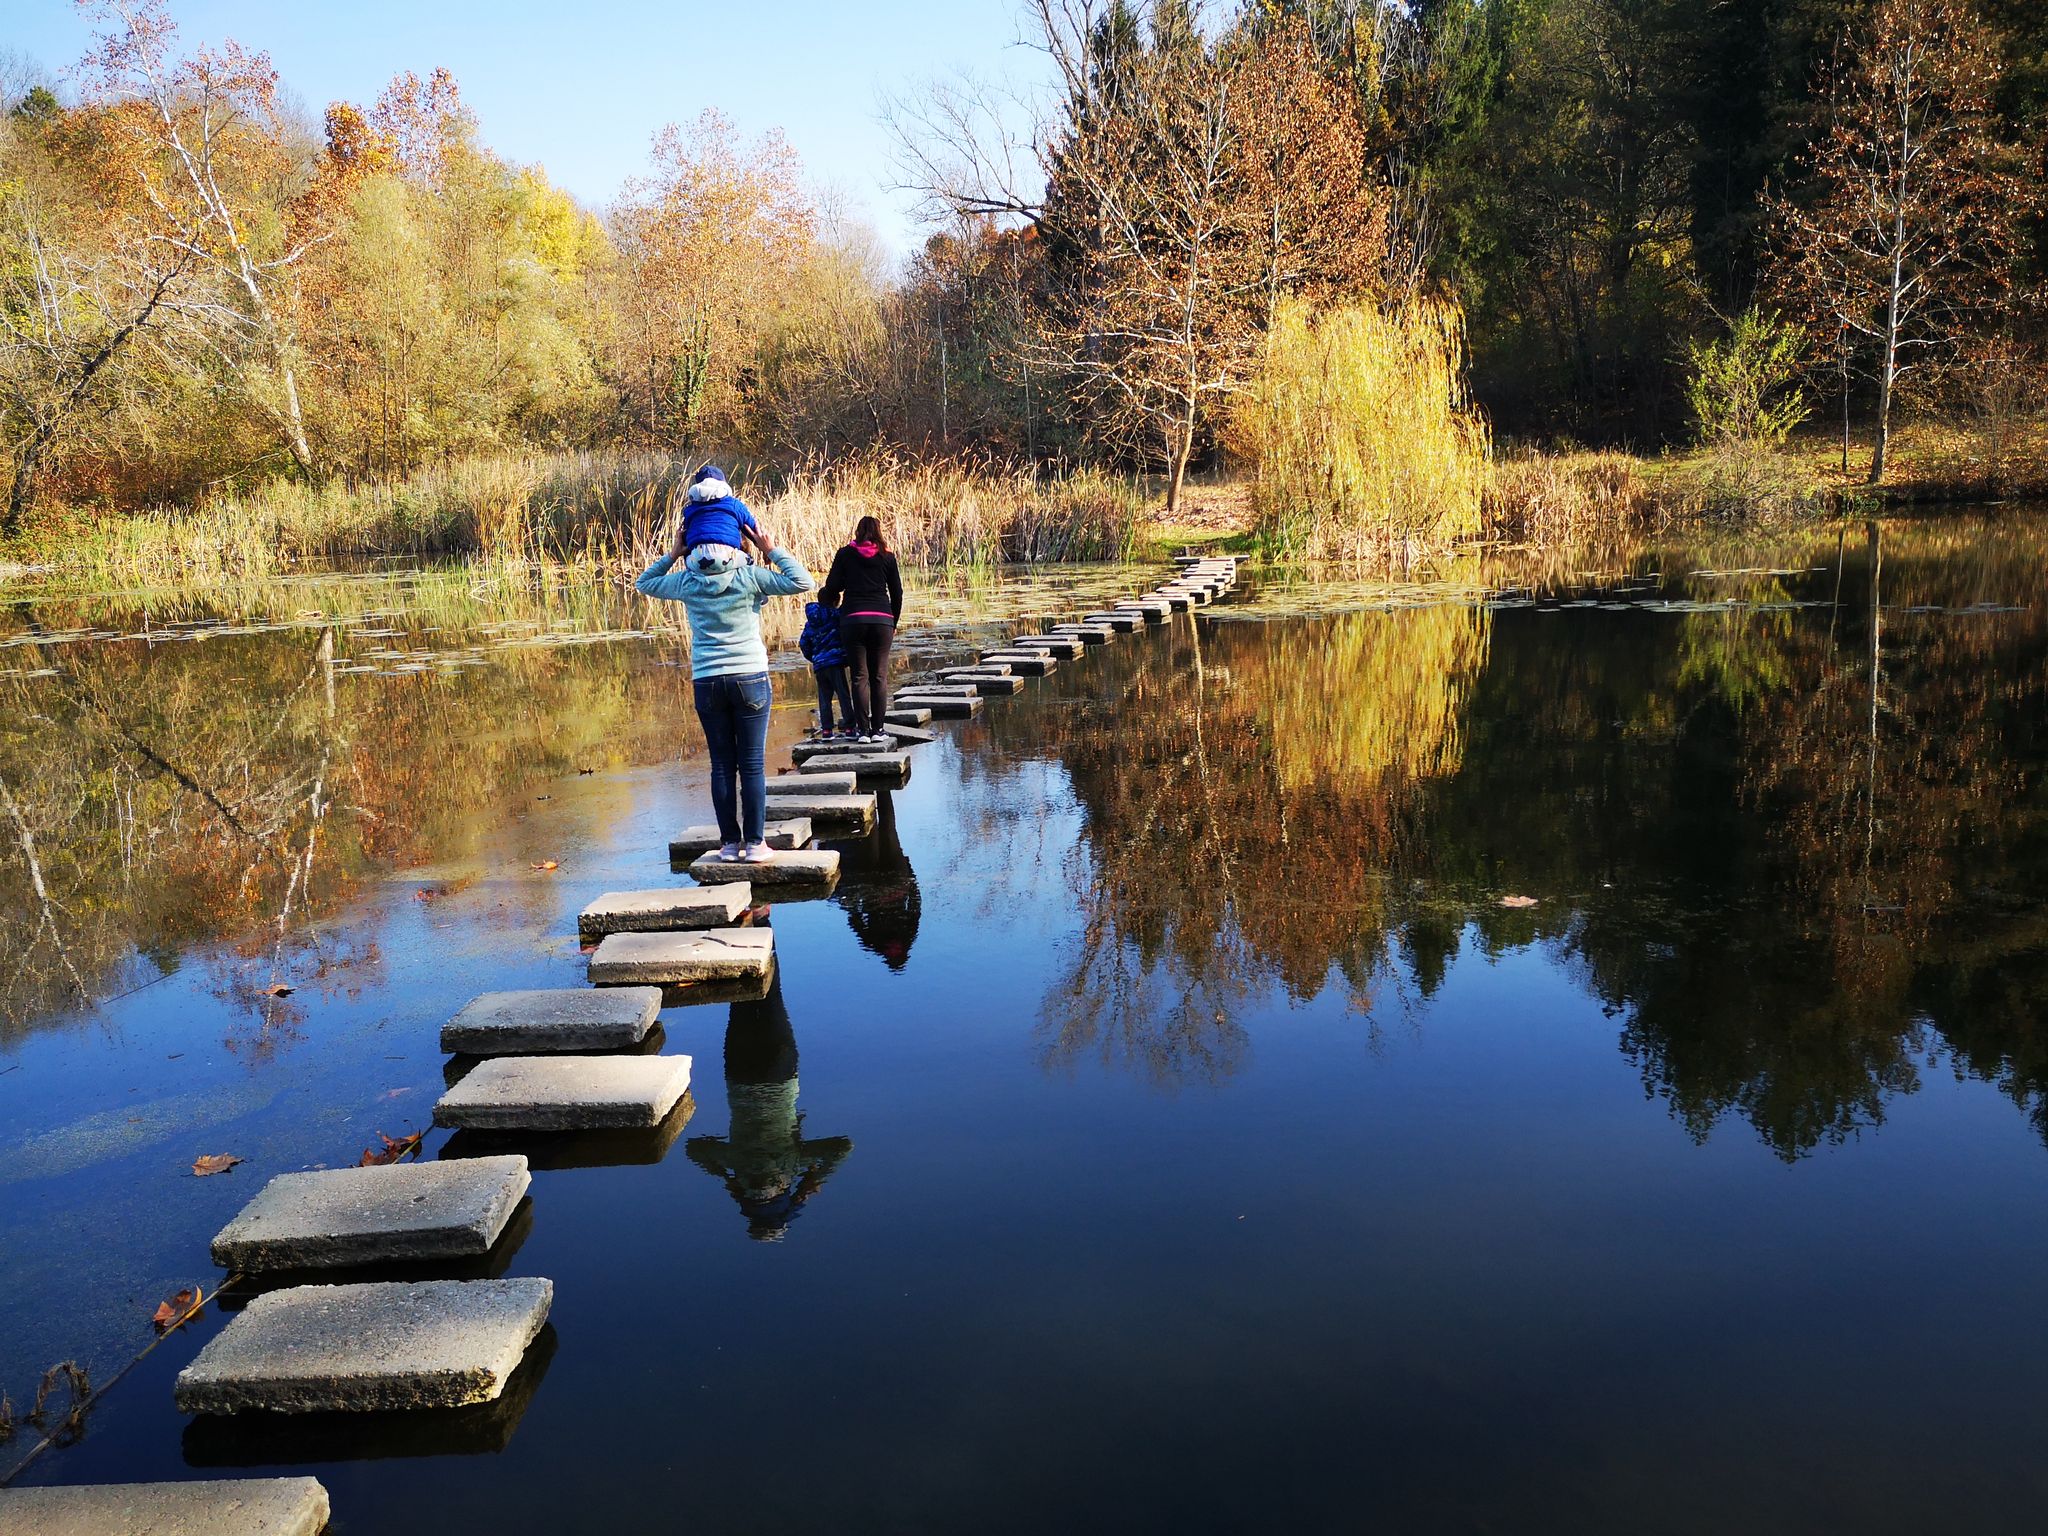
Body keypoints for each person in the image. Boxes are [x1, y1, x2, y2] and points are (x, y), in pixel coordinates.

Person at [635, 515, 812, 864]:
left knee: (721, 766)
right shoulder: (749, 576)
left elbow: (645, 583)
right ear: (734, 541)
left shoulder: (687, 580)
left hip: (707, 681)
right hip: (749, 678)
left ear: (694, 545)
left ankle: (730, 844)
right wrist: (770, 549)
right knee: (751, 765)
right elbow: (801, 581)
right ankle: (756, 845)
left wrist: (672, 554)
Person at [819, 515, 902, 744]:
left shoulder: (845, 554)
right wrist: (893, 622)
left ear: (857, 532)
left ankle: (863, 732)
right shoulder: (887, 556)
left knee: (859, 677)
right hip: (882, 619)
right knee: (879, 676)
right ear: (879, 532)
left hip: (853, 619)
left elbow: (833, 586)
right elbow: (897, 593)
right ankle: (879, 730)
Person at [798, 598, 855, 740]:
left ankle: (827, 731)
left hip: (819, 665)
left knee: (824, 699)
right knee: (843, 695)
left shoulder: (809, 624)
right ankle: (850, 728)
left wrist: (814, 658)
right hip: (834, 662)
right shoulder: (834, 616)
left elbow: (803, 643)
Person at [677, 463, 760, 558]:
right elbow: (752, 528)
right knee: (748, 562)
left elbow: (685, 537)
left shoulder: (690, 510)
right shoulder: (734, 504)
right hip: (727, 556)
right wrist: (764, 549)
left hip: (698, 560)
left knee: (692, 562)